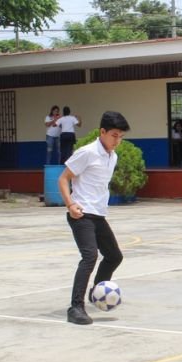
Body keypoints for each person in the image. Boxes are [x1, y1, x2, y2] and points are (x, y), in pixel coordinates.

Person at [58, 111, 130, 325]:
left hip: (98, 215)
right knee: (89, 256)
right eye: (114, 135)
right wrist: (70, 204)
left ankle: (97, 291)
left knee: (114, 256)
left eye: (121, 137)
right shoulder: (87, 152)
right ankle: (76, 307)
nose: (117, 140)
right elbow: (63, 179)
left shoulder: (112, 156)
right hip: (81, 214)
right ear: (102, 132)